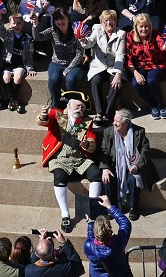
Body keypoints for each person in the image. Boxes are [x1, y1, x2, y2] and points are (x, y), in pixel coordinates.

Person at [37, 91, 101, 234]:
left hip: (80, 159)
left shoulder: (86, 121)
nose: (81, 109)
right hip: (60, 158)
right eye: (78, 106)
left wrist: (87, 144)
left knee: (96, 174)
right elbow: (46, 121)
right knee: (59, 177)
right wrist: (43, 116)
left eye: (83, 108)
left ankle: (91, 211)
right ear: (70, 104)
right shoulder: (57, 114)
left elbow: (92, 139)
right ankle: (65, 215)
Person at [100, 108, 158, 220]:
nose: (114, 123)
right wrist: (105, 168)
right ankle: (112, 207)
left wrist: (137, 165)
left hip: (132, 166)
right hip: (115, 166)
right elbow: (104, 151)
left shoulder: (139, 132)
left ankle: (133, 208)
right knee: (107, 179)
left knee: (134, 179)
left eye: (117, 121)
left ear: (126, 122)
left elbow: (145, 151)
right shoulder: (109, 132)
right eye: (114, 120)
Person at [80, 11, 126, 124]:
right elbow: (90, 42)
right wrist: (84, 41)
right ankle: (99, 113)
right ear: (101, 22)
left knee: (116, 84)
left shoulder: (121, 34)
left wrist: (118, 74)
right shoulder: (97, 29)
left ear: (116, 21)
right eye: (105, 21)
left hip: (112, 66)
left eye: (111, 20)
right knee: (95, 81)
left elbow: (120, 55)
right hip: (98, 66)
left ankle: (108, 114)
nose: (108, 23)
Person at [84, 194, 131, 276]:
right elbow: (125, 223)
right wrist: (110, 207)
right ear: (109, 229)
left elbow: (91, 239)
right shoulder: (119, 243)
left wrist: (90, 223)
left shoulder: (88, 246)